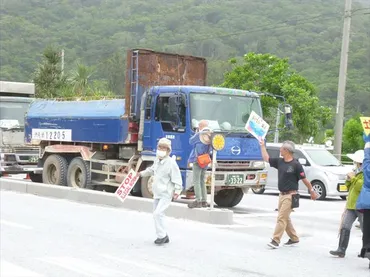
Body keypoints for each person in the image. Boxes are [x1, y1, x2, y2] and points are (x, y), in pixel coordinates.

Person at [259, 140, 318, 249]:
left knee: (281, 218)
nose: (280, 150)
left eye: (281, 148)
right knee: (285, 218)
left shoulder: (296, 165)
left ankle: (275, 240)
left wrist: (312, 191)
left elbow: (304, 179)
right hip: (281, 195)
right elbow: (266, 159)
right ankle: (294, 238)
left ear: (286, 150)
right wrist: (262, 146)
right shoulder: (280, 162)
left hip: (291, 196)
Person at [139, 138, 182, 245]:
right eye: (160, 147)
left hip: (166, 193)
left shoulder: (171, 163)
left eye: (164, 148)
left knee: (157, 214)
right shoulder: (157, 160)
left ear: (168, 150)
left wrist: (177, 191)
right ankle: (162, 235)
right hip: (157, 192)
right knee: (158, 214)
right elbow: (151, 170)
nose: (161, 149)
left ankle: (162, 236)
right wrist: (140, 174)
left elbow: (177, 178)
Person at [329, 149, 364, 257]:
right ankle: (341, 249)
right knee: (345, 225)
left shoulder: (365, 172)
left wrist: (353, 178)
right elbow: (349, 187)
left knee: (365, 230)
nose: (355, 164)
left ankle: (366, 251)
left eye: (355, 162)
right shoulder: (356, 171)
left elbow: (361, 186)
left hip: (362, 205)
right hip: (351, 205)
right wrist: (349, 179)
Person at [187, 120, 212, 208]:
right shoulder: (211, 135)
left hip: (197, 160)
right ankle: (204, 201)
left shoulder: (199, 135)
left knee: (196, 181)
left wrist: (197, 132)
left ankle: (198, 200)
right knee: (202, 181)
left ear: (200, 126)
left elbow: (190, 141)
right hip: (205, 160)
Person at [356, 133, 370, 268]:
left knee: (367, 227)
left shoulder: (367, 170)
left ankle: (367, 248)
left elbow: (366, 163)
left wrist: (368, 146)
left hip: (368, 202)